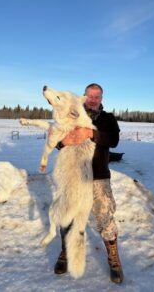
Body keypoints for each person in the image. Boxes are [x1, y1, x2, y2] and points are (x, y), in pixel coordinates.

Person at [54, 83, 123, 284]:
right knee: (68, 214)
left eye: (97, 97)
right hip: (72, 176)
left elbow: (114, 140)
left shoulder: (107, 119)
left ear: (101, 99)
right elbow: (56, 138)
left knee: (105, 216)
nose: (93, 100)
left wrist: (91, 134)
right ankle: (65, 253)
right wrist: (62, 142)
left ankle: (114, 260)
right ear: (84, 97)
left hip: (98, 176)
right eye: (90, 96)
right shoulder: (71, 115)